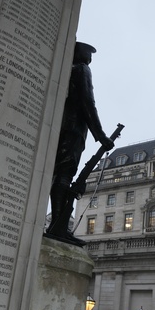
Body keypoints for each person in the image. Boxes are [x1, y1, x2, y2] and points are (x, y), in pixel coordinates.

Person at [44, 42, 113, 244]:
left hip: (64, 126)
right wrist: (100, 135)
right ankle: (58, 226)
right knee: (65, 174)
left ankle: (58, 224)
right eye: (88, 53)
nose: (90, 58)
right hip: (73, 128)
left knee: (62, 174)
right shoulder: (82, 69)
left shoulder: (67, 71)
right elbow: (87, 101)